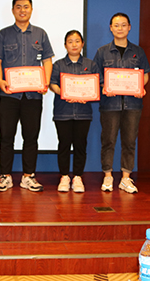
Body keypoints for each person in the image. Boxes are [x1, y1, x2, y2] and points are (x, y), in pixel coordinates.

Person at [0, 0, 54, 192]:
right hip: (9, 95)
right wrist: (0, 80)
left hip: (33, 96)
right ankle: (5, 176)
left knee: (31, 137)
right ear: (13, 10)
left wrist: (45, 81)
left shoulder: (41, 34)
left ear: (31, 9)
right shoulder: (3, 34)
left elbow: (47, 60)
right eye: (18, 7)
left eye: (26, 7)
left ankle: (28, 176)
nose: (22, 10)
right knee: (6, 136)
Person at [94, 13, 150, 194]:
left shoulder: (138, 51)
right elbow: (96, 76)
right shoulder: (102, 52)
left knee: (129, 141)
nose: (120, 28)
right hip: (110, 104)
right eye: (116, 25)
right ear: (111, 28)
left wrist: (140, 87)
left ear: (129, 27)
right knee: (108, 140)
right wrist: (104, 86)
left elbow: (145, 74)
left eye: (123, 25)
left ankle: (126, 178)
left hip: (133, 104)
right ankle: (108, 176)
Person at [49, 30, 99, 193]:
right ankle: (64, 176)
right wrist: (64, 93)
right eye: (70, 41)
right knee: (63, 145)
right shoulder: (58, 65)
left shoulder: (91, 65)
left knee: (80, 145)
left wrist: (89, 95)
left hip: (83, 112)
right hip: (63, 112)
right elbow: (52, 83)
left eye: (77, 41)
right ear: (65, 45)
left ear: (82, 44)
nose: (74, 44)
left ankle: (78, 177)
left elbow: (97, 85)